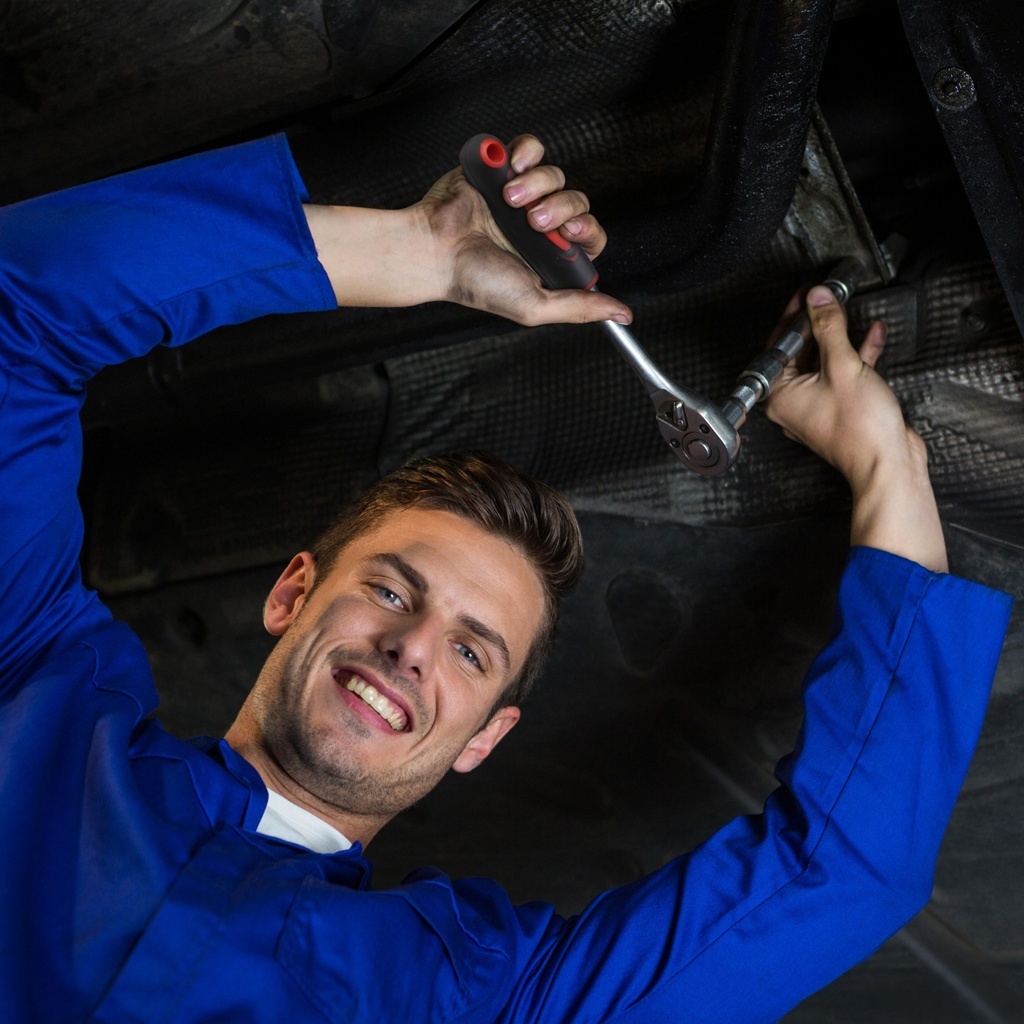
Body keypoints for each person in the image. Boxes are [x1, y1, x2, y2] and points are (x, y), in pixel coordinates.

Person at [0, 131, 1012, 1024]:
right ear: (291, 593)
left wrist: (890, 469)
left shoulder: (484, 998)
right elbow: (17, 313)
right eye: (392, 591)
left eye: (471, 652)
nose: (410, 648)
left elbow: (835, 871)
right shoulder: (43, 692)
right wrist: (411, 253)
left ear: (484, 736)